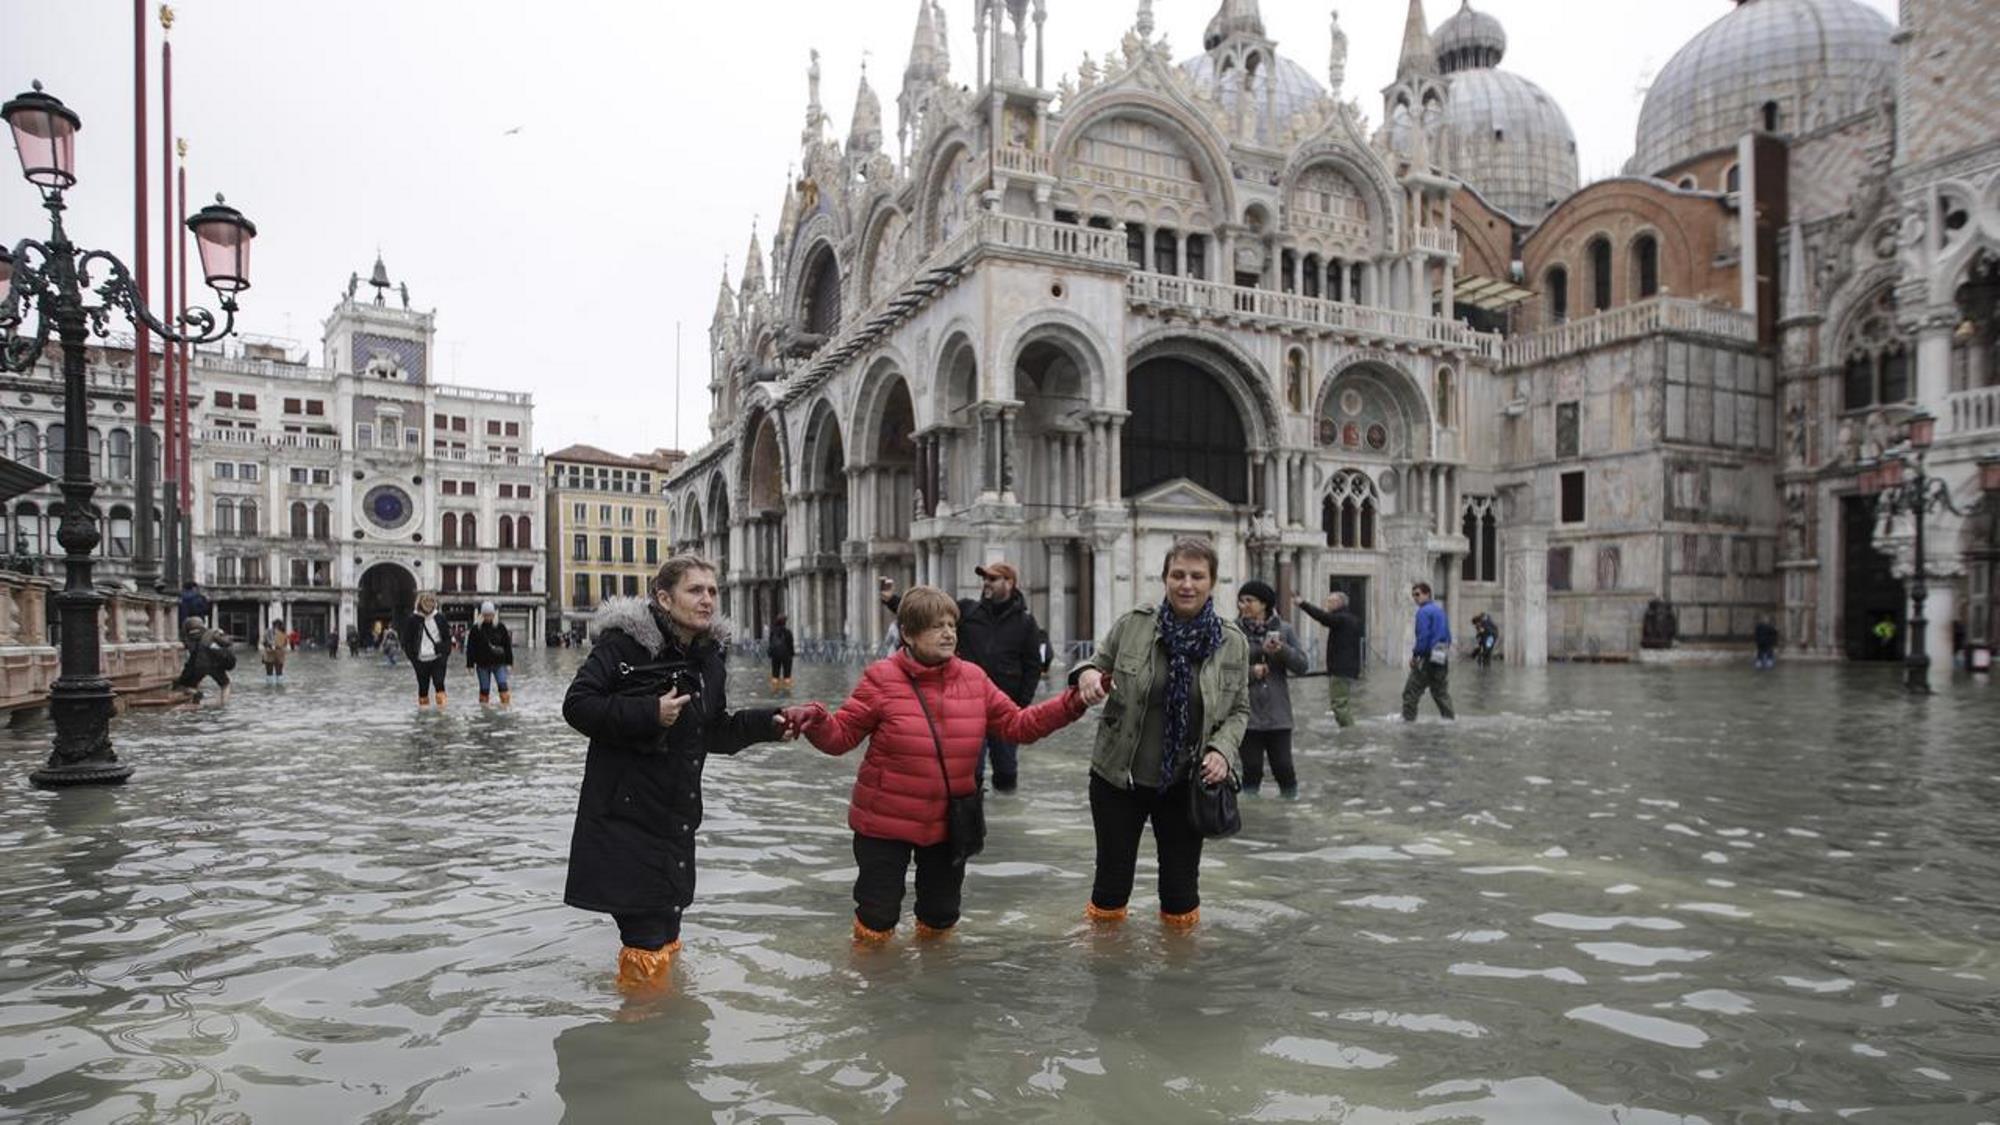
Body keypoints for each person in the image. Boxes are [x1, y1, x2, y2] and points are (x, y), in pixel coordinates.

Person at [785, 585, 1093, 944]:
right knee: (877, 917)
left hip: (949, 824)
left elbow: (1018, 726)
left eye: (952, 624)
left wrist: (1074, 702)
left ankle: (933, 989)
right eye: (936, 626)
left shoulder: (974, 679)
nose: (948, 633)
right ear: (908, 634)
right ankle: (874, 987)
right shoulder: (880, 679)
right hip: (884, 824)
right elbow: (841, 739)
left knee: (941, 917)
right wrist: (816, 720)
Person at [561, 555, 799, 997]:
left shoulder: (709, 657)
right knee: (647, 943)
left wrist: (771, 724)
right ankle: (644, 1044)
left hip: (675, 823)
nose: (708, 599)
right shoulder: (623, 646)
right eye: (696, 590)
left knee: (665, 939)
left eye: (712, 590)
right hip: (623, 822)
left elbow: (713, 731)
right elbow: (577, 705)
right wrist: (650, 712)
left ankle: (663, 1042)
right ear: (664, 598)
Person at [1070, 538, 1249, 931]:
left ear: (1213, 582)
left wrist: (1222, 750)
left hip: (1186, 783)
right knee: (1111, 886)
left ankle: (1180, 978)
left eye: (1197, 576)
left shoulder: (1232, 642)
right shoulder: (1133, 624)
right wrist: (1085, 675)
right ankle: (1108, 972)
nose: (1187, 584)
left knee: (1181, 893)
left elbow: (1238, 710)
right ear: (1165, 578)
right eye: (1178, 575)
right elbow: (1093, 663)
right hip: (1118, 777)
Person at [879, 561, 1046, 792]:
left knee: (1006, 771)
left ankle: (1006, 818)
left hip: (1005, 709)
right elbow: (928, 617)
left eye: (992, 579)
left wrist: (1020, 705)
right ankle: (971, 818)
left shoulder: (1026, 623)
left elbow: (1033, 666)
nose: (986, 583)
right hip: (966, 708)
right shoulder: (967, 611)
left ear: (1009, 583)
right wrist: (891, 600)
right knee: (968, 773)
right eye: (984, 578)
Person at [1235, 580, 1307, 798]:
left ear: (1264, 604)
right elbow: (1223, 672)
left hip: (1278, 715)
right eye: (1241, 601)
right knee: (1252, 771)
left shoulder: (1284, 630)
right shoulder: (1233, 631)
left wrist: (1281, 650)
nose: (1243, 605)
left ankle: (1289, 818)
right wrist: (1251, 671)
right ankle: (1251, 821)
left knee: (1284, 769)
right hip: (1246, 714)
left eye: (1249, 601)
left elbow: (1302, 666)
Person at [1296, 590, 1363, 728]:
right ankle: (1348, 728)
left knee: (1339, 705)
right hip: (1346, 668)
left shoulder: (1342, 619)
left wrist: (1303, 604)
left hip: (1341, 669)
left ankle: (1349, 733)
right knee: (1341, 703)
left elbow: (1323, 617)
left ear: (1339, 603)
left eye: (1330, 601)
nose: (1327, 604)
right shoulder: (1349, 618)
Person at [1402, 582, 1455, 722]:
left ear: (1427, 594)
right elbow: (1448, 635)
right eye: (1413, 595)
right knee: (1440, 691)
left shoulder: (1423, 612)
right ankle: (1449, 720)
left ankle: (1408, 722)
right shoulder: (1440, 611)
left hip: (1428, 655)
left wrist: (1415, 656)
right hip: (1442, 653)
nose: (1415, 598)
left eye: (1418, 594)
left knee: (1410, 692)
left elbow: (1423, 636)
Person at [401, 593, 452, 708]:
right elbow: (406, 641)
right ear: (420, 603)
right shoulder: (413, 620)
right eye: (426, 601)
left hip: (437, 658)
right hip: (420, 659)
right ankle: (424, 714)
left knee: (439, 683)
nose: (429, 604)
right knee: (423, 687)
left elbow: (447, 637)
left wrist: (445, 655)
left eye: (431, 601)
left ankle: (442, 713)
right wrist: (413, 659)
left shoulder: (440, 618)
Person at [173, 616, 234, 705]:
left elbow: (189, 653)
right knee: (225, 684)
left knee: (183, 685)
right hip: (215, 665)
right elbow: (227, 643)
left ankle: (195, 693)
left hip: (198, 666)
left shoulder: (188, 638)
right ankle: (224, 703)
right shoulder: (212, 633)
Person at [467, 601, 515, 705]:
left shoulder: (500, 627)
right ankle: (484, 709)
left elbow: (507, 646)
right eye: (486, 614)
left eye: (490, 614)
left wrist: (509, 663)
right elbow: (470, 648)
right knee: (484, 690)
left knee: (503, 687)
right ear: (482, 615)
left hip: (499, 663)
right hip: (482, 664)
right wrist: (470, 665)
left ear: (494, 614)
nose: (488, 617)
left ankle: (505, 707)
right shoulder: (476, 629)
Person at [767, 613, 795, 692]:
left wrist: (770, 654)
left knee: (775, 675)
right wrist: (792, 654)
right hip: (786, 656)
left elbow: (770, 643)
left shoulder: (773, 631)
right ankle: (787, 691)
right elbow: (790, 645)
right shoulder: (788, 632)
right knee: (787, 676)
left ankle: (775, 691)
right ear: (785, 622)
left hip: (775, 656)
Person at [261, 618, 291, 682]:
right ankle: (276, 686)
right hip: (274, 653)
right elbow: (285, 644)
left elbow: (264, 642)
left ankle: (272, 685)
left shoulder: (281, 633)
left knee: (274, 672)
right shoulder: (282, 633)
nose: (276, 626)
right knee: (275, 672)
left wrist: (270, 646)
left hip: (274, 653)